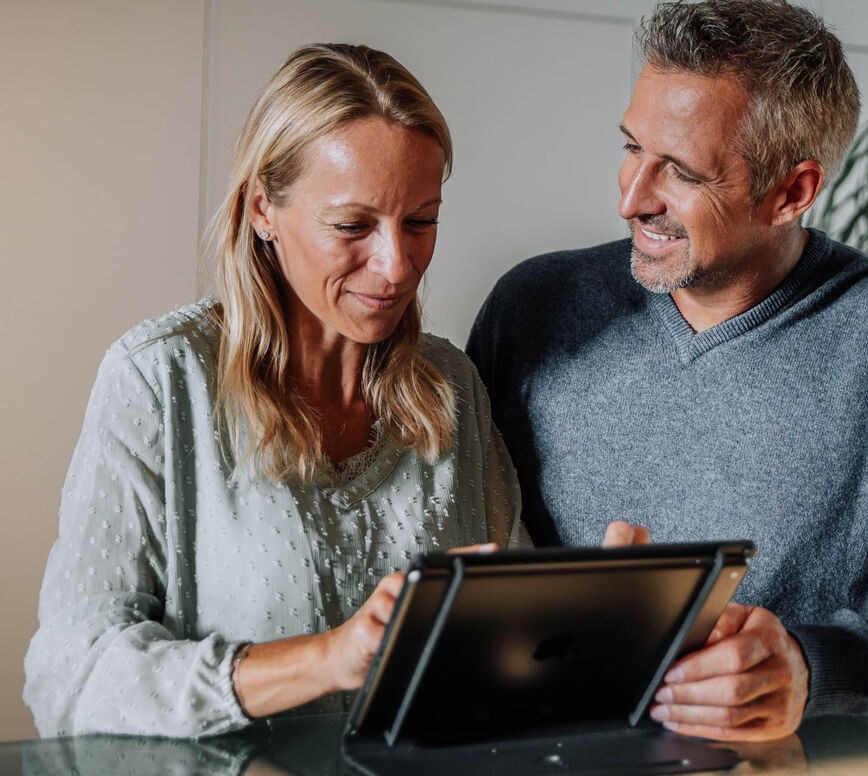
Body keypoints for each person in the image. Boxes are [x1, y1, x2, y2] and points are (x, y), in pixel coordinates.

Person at [468, 0, 868, 742]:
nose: (630, 199)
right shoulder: (531, 308)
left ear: (792, 193)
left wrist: (812, 667)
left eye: (681, 172)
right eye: (631, 147)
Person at [25, 43, 524, 738]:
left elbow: (517, 645)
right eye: (352, 225)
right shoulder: (158, 380)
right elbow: (68, 680)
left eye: (421, 220)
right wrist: (325, 659)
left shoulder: (453, 386)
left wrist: (610, 613)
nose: (397, 264)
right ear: (263, 209)